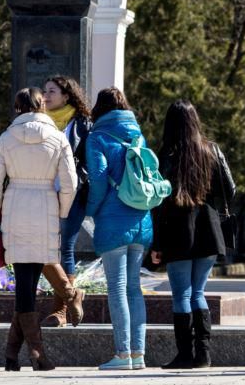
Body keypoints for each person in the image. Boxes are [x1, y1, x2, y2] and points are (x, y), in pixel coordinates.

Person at [0, 87, 77, 372]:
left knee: (26, 281)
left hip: (15, 207)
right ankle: (37, 354)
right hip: (45, 208)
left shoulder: (6, 138)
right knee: (28, 280)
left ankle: (13, 354)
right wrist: (61, 210)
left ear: (17, 108)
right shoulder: (58, 138)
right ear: (42, 106)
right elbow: (71, 183)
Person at [150, 100, 236, 370]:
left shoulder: (167, 153)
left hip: (177, 229)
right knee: (198, 292)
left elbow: (159, 199)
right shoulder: (211, 150)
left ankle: (185, 354)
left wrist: (156, 242)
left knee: (181, 295)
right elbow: (230, 189)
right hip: (209, 228)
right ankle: (204, 354)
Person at [86, 87, 153, 370]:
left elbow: (99, 181)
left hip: (113, 221)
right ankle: (139, 354)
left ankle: (123, 354)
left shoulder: (97, 138)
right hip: (141, 218)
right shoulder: (137, 135)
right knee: (134, 289)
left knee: (117, 289)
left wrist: (88, 210)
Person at [40, 75, 91, 328]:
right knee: (44, 249)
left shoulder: (80, 123)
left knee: (64, 248)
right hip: (44, 194)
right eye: (44, 91)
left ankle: (60, 311)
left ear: (67, 96)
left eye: (52, 91)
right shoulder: (39, 122)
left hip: (72, 194)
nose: (46, 96)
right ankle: (73, 295)